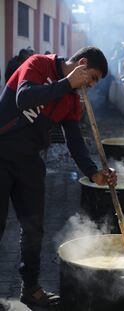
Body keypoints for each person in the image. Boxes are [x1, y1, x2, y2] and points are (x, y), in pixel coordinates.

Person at [0, 46, 117, 309]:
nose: (92, 85)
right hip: (1, 150)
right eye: (93, 77)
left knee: (34, 228)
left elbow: (75, 141)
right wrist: (66, 83)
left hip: (29, 161)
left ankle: (30, 289)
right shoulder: (39, 64)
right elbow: (24, 98)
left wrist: (93, 172)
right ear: (82, 64)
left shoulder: (72, 100)